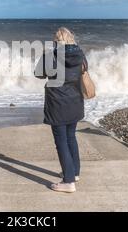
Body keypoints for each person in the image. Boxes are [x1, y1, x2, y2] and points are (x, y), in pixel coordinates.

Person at [35, 27, 88, 193]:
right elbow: (84, 70)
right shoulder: (79, 53)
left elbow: (38, 74)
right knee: (71, 136)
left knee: (61, 142)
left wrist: (44, 54)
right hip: (75, 101)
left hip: (58, 103)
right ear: (71, 38)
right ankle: (75, 173)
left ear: (56, 40)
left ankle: (68, 181)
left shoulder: (51, 55)